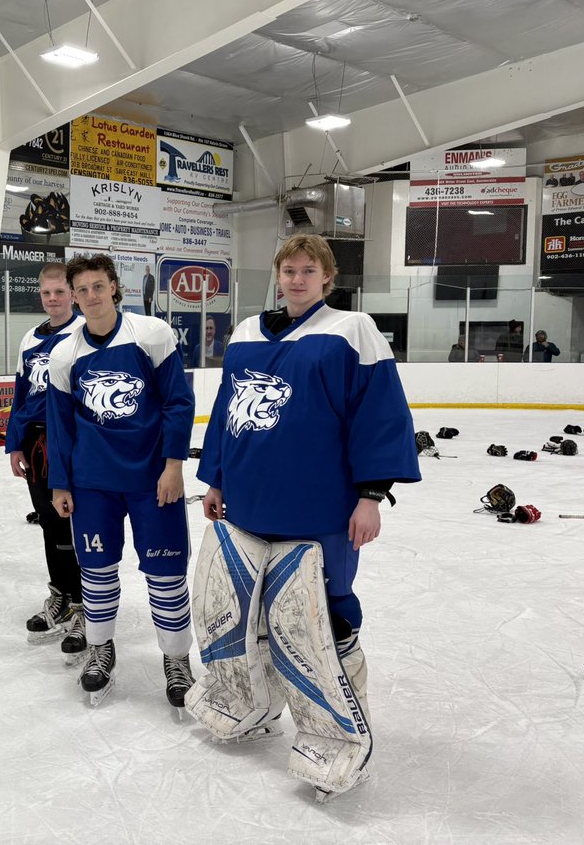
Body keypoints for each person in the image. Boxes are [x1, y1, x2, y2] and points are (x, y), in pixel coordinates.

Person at [196, 233, 420, 796]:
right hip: (248, 504)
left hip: (321, 510)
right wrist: (216, 477)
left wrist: (370, 495)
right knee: (258, 619)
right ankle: (257, 706)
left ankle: (345, 735)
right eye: (288, 270)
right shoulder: (246, 332)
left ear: (327, 278)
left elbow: (379, 415)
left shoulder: (351, 330)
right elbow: (228, 412)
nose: (296, 279)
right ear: (277, 276)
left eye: (307, 270)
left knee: (327, 619)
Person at [47, 254, 197, 709]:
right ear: (73, 296)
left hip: (153, 479)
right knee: (96, 572)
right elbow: (60, 426)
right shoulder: (64, 352)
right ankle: (100, 648)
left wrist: (173, 464)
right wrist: (60, 484)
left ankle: (176, 658)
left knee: (166, 572)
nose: (91, 296)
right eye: (82, 290)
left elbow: (178, 402)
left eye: (98, 286)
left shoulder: (150, 333)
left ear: (114, 287)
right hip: (93, 482)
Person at [6, 263, 86, 658]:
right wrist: (14, 444)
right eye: (46, 293)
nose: (52, 299)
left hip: (68, 441)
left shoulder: (84, 334)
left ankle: (85, 603)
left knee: (73, 523)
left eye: (59, 292)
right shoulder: (28, 338)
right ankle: (62, 593)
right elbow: (21, 395)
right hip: (35, 443)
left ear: (72, 293)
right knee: (49, 523)